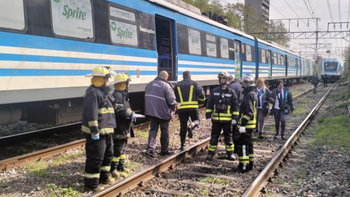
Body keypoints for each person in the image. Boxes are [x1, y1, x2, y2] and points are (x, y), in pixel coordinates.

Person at [82, 66, 116, 192]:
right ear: (101, 79)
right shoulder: (93, 93)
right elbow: (91, 113)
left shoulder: (104, 92)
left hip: (107, 130)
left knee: (108, 155)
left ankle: (104, 177)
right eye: (107, 78)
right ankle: (91, 184)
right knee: (96, 158)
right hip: (98, 131)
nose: (109, 81)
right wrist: (94, 130)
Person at [110, 73, 143, 178]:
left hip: (124, 126)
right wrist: (131, 114)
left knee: (123, 148)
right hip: (119, 127)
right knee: (118, 148)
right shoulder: (117, 95)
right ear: (122, 84)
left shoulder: (123, 95)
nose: (128, 85)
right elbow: (119, 110)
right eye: (126, 83)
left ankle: (121, 166)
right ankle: (113, 168)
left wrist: (131, 114)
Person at [205, 71, 239, 161]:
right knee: (214, 137)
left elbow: (235, 106)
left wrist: (235, 118)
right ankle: (210, 153)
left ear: (227, 80)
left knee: (228, 137)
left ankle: (230, 154)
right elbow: (210, 104)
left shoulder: (232, 92)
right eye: (220, 78)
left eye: (223, 78)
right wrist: (208, 115)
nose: (221, 80)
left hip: (228, 121)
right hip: (216, 120)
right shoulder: (214, 91)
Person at [145, 70, 178, 157]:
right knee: (164, 131)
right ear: (166, 77)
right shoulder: (166, 86)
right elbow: (171, 101)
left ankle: (150, 149)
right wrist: (176, 105)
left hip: (152, 112)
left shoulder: (149, 84)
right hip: (163, 113)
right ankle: (164, 150)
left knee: (153, 130)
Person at [174, 71, 205, 151]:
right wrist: (201, 102)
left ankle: (182, 145)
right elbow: (201, 95)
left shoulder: (177, 85)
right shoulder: (195, 84)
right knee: (197, 120)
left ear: (183, 76)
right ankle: (191, 125)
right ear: (190, 76)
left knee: (183, 126)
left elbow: (173, 96)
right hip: (193, 107)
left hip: (182, 109)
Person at [234, 74, 258, 172]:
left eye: (243, 84)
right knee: (250, 144)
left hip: (247, 125)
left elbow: (249, 112)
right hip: (251, 125)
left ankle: (244, 166)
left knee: (243, 145)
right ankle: (250, 164)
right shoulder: (253, 93)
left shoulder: (248, 95)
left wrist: (243, 124)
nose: (242, 87)